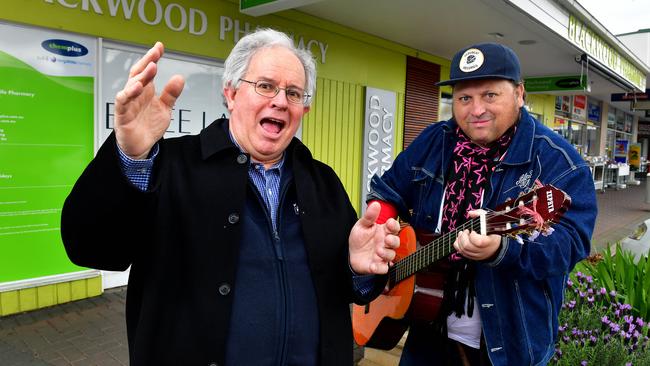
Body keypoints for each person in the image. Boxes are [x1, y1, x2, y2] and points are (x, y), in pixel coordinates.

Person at [61, 28, 400, 366]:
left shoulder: (323, 182)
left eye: (294, 93)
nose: (280, 101)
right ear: (232, 93)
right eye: (266, 86)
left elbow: (346, 290)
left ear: (303, 110)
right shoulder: (173, 165)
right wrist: (130, 156)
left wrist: (357, 268)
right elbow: (90, 246)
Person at [367, 43, 597, 365]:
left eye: (490, 95)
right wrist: (383, 237)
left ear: (519, 94)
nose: (476, 109)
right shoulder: (436, 139)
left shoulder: (558, 162)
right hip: (426, 328)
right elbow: (387, 190)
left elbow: (570, 244)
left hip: (507, 345)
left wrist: (504, 250)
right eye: (464, 98)